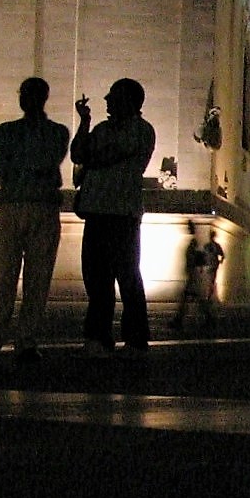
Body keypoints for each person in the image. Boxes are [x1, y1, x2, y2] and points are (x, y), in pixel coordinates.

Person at [0, 78, 71, 363]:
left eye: (29, 94)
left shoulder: (9, 132)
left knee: (12, 278)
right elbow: (37, 163)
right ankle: (21, 343)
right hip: (38, 205)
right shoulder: (56, 132)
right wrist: (33, 166)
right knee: (21, 278)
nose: (25, 99)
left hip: (16, 203)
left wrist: (19, 164)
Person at [70, 78, 156, 358]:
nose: (107, 101)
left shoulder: (142, 130)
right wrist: (84, 122)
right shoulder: (101, 128)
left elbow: (112, 155)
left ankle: (135, 339)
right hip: (96, 211)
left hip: (123, 213)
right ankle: (98, 336)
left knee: (128, 276)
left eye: (113, 97)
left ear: (130, 101)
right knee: (96, 278)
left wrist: (93, 159)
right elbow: (78, 154)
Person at [172, 221, 218, 330]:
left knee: (193, 299)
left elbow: (195, 259)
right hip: (195, 275)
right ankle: (208, 319)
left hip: (194, 276)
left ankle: (180, 320)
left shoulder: (194, 243)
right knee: (197, 300)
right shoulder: (195, 243)